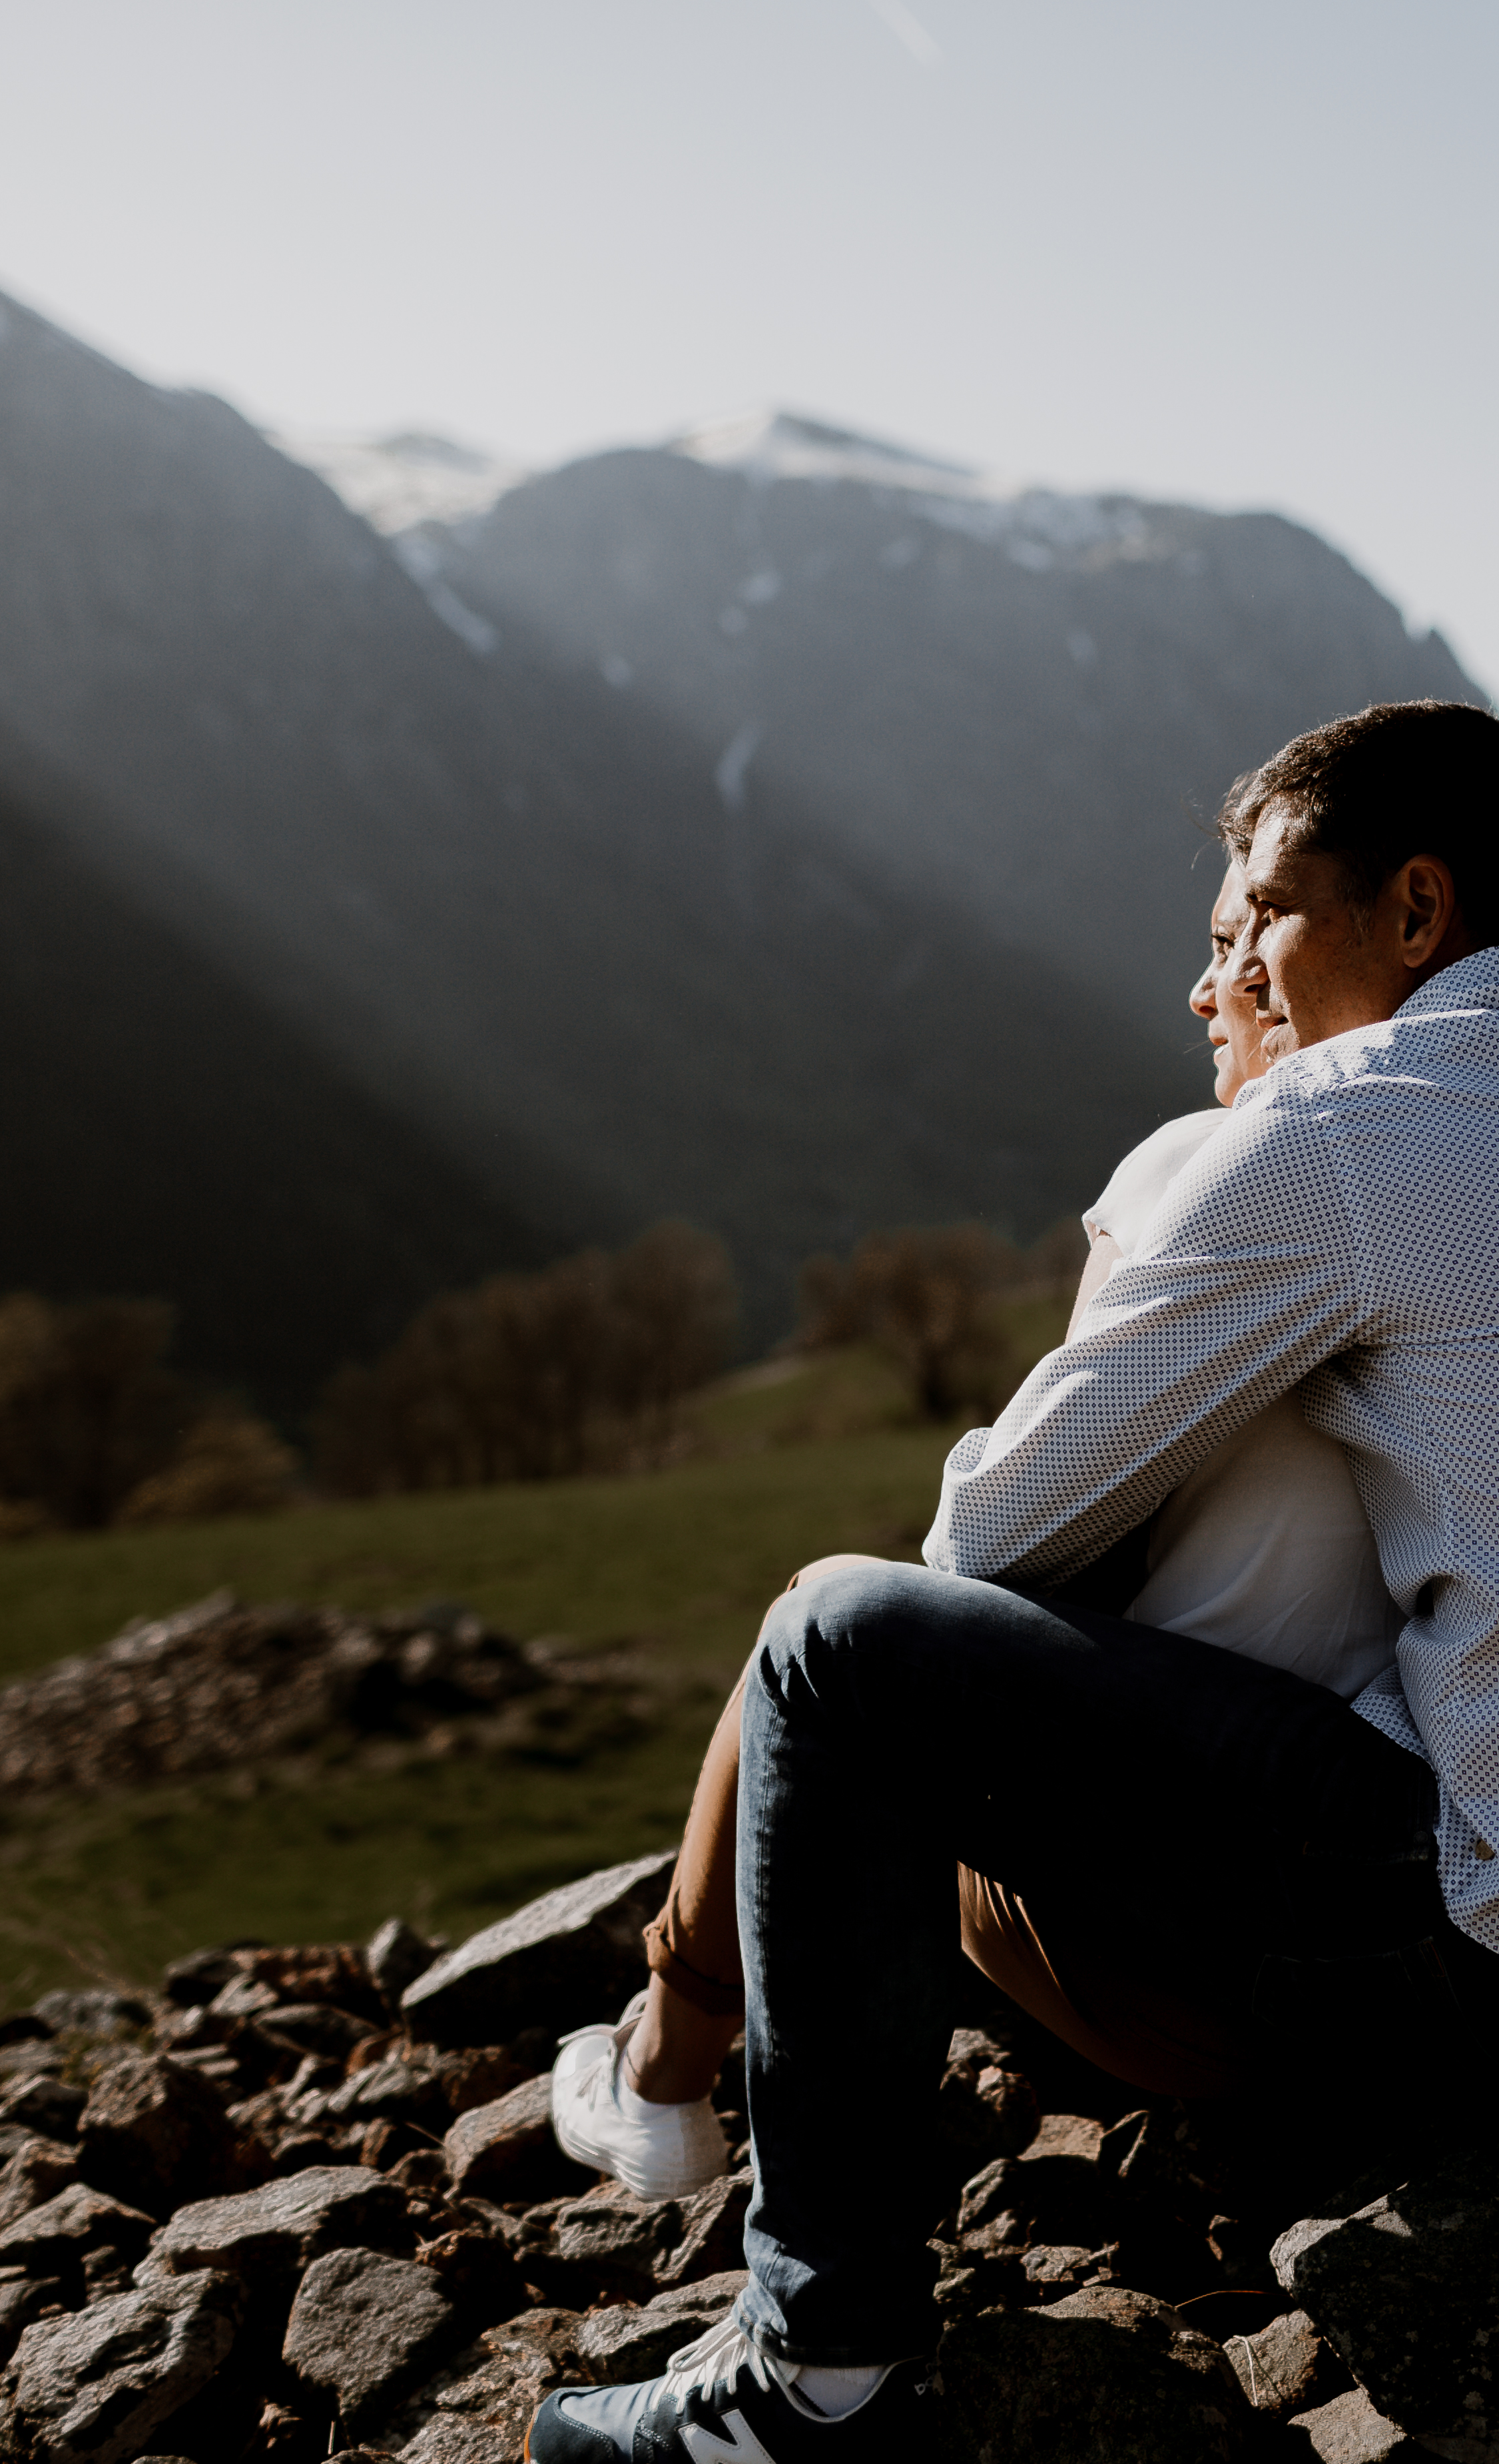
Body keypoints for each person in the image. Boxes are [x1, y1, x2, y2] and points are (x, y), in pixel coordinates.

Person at [532, 701, 1499, 2464]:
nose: (1244, 975)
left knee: (836, 1644)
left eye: (1266, 916)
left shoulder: (1352, 1119)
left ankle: (813, 2371)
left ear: (1416, 913)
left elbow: (989, 1549)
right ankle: (715, 2061)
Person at [543, 859, 1402, 2200]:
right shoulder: (1486, 1191)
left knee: (834, 1638)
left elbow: (1009, 1545)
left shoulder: (1200, 1161)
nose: (1200, 990)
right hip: (1413, 1919)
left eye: (1235, 940)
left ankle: (664, 2074)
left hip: (1199, 1928)